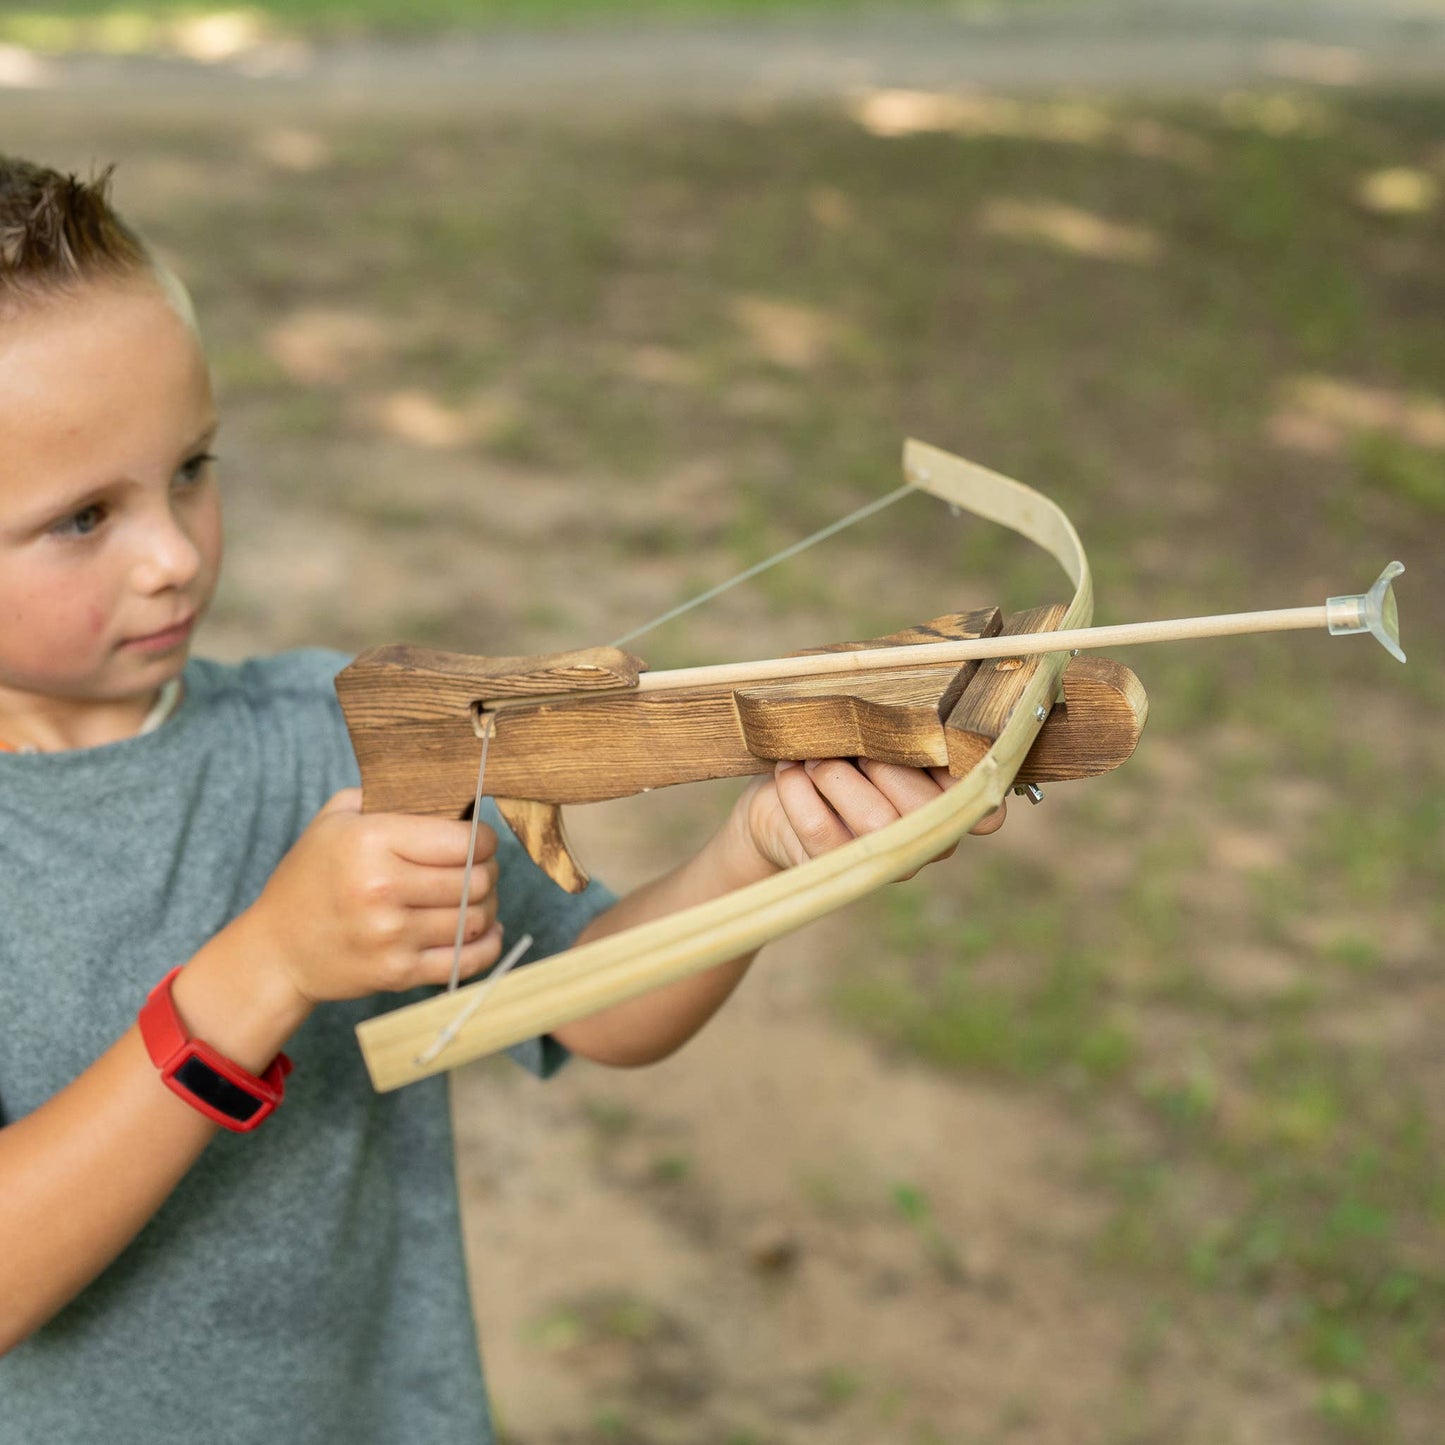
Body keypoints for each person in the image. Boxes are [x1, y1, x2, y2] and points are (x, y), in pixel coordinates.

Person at [0, 157, 1004, 1443]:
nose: (174, 552)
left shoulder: (335, 742)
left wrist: (758, 854)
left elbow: (588, 1006)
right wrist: (266, 968)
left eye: (190, 467)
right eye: (84, 516)